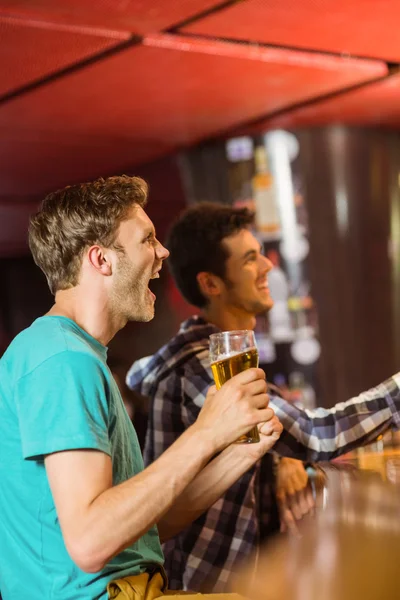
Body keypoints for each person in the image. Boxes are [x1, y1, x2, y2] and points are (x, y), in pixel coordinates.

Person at [0, 177, 283, 600]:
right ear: (101, 259)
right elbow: (91, 542)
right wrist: (205, 433)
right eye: (147, 239)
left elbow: (145, 528)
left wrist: (241, 451)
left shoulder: (71, 353)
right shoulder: (64, 361)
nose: (162, 251)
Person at [127, 202, 400, 593]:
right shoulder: (206, 364)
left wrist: (280, 460)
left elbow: (265, 435)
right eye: (251, 259)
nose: (268, 266)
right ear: (212, 284)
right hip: (203, 583)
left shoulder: (210, 353)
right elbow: (316, 435)